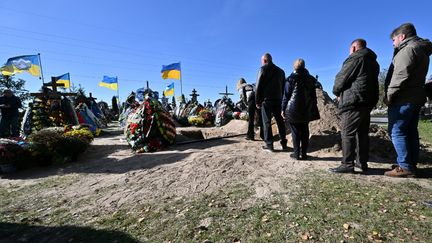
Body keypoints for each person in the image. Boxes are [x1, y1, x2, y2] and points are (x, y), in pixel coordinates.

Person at [383, 23, 432, 177]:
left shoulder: (408, 50)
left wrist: (389, 95)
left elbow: (400, 76)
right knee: (410, 131)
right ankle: (410, 163)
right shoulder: (421, 49)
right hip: (416, 96)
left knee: (396, 131)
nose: (393, 43)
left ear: (402, 36)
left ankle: (405, 166)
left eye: (393, 40)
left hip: (403, 98)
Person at [329, 39, 380, 173]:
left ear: (353, 48)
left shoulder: (355, 58)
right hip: (367, 102)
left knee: (347, 133)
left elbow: (342, 77)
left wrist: (336, 91)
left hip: (353, 101)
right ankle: (361, 163)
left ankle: (347, 164)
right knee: (362, 134)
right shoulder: (373, 62)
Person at [282, 59, 320, 160]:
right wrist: (313, 107)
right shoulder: (311, 79)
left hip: (293, 109)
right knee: (305, 130)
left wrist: (283, 109)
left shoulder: (290, 79)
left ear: (294, 67)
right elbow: (313, 96)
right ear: (304, 66)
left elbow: (286, 96)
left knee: (295, 132)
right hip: (306, 108)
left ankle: (296, 154)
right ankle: (304, 154)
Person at [255, 53, 287, 151]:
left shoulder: (262, 69)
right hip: (278, 99)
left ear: (264, 60)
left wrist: (257, 101)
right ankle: (283, 143)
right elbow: (283, 87)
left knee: (267, 122)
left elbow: (258, 87)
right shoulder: (281, 71)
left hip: (266, 100)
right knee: (280, 121)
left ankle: (269, 144)